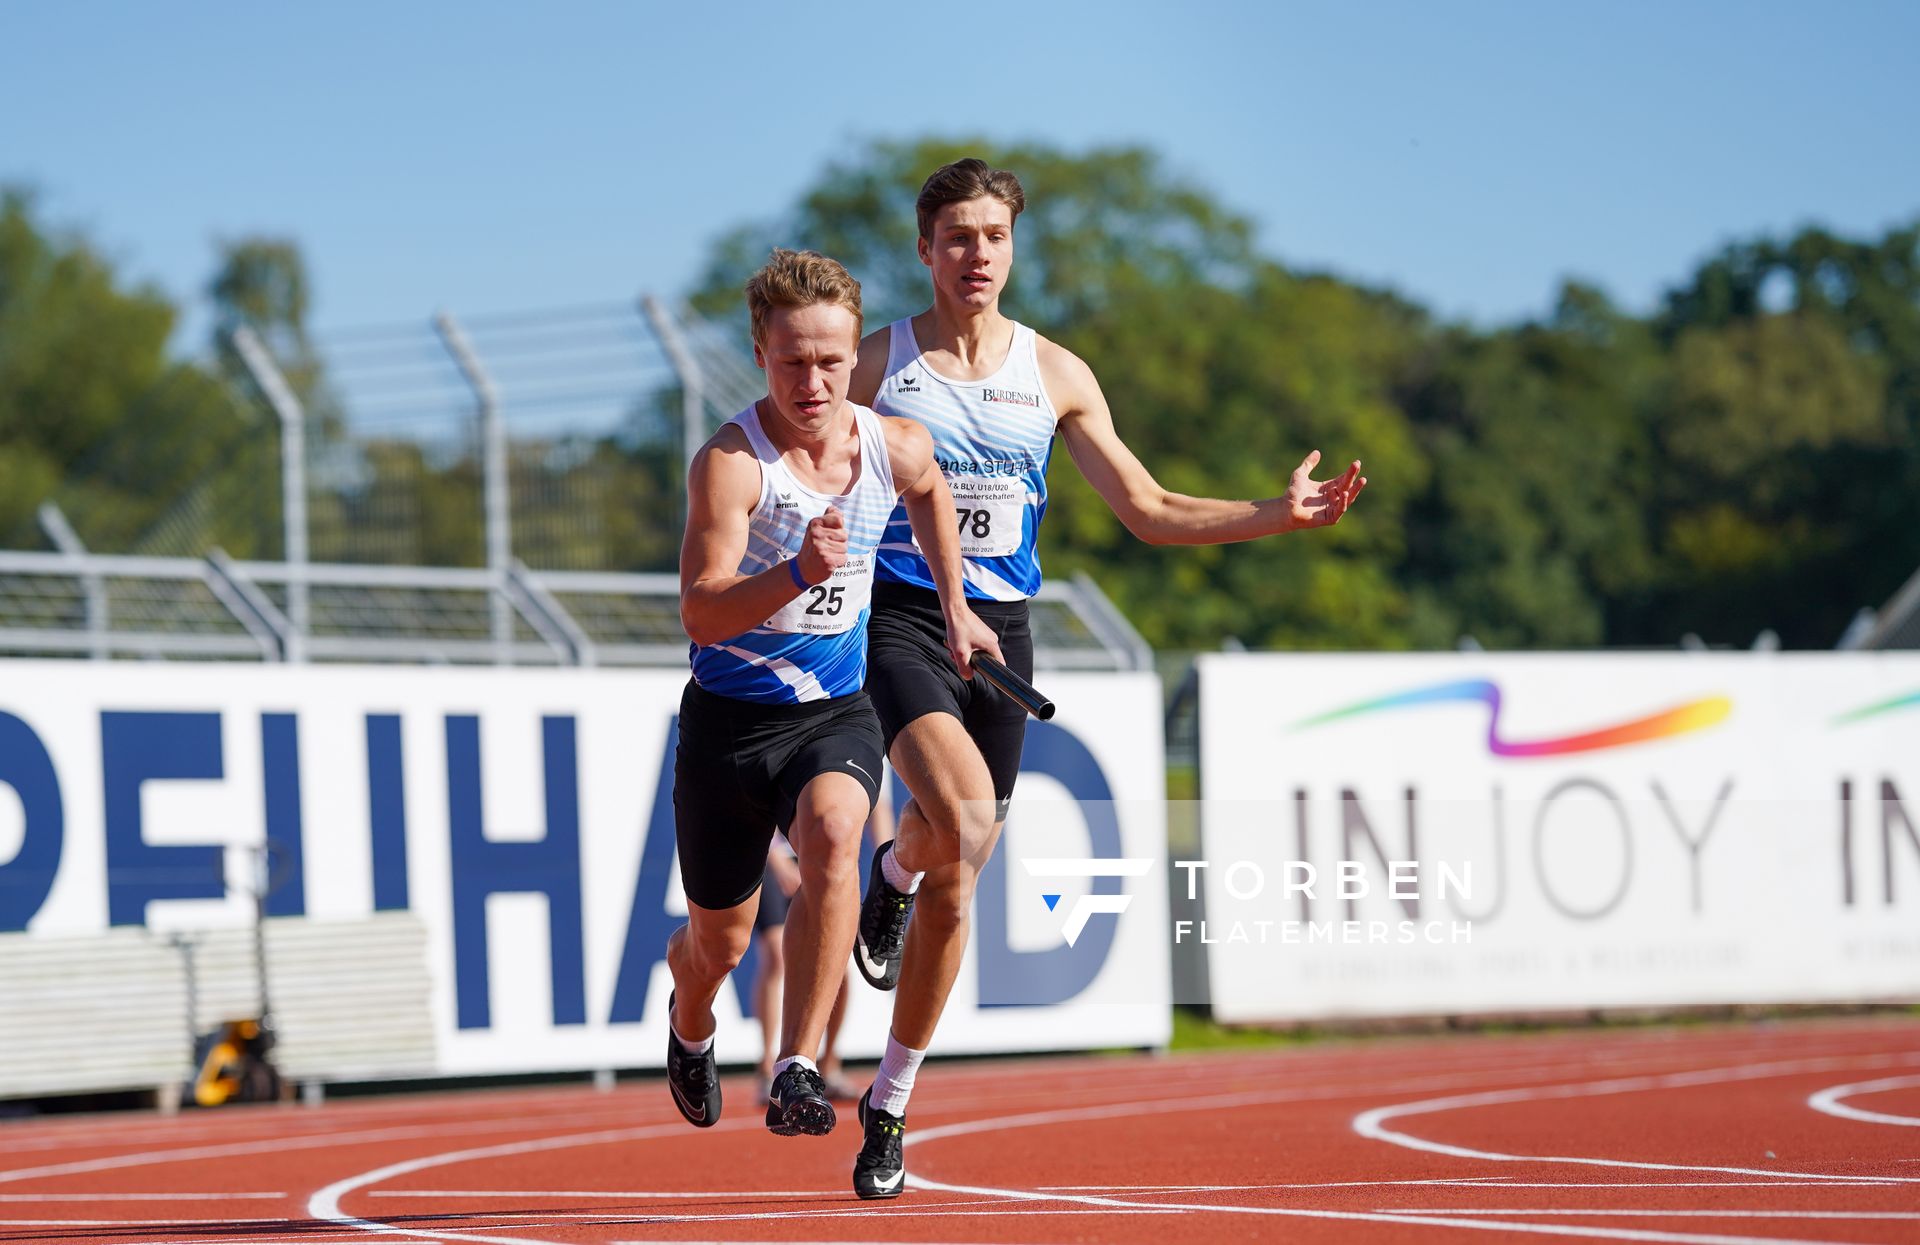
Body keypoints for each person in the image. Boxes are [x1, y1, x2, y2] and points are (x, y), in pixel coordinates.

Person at [844, 158, 1368, 1195]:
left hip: (1004, 630)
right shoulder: (877, 364)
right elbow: (800, 455)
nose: (977, 254)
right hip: (902, 618)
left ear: (1013, 246)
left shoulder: (1056, 373)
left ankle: (891, 1092)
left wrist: (1277, 514)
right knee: (967, 816)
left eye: (995, 236)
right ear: (925, 248)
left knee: (957, 867)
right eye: (958, 237)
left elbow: (1149, 507)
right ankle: (901, 875)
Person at [663, 248, 998, 1154]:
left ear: (856, 357)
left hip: (832, 711)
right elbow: (701, 610)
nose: (811, 383)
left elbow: (930, 491)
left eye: (830, 362)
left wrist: (956, 606)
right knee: (721, 947)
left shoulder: (894, 444)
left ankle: (797, 1063)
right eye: (791, 362)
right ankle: (690, 1019)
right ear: (760, 355)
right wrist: (795, 573)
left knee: (839, 834)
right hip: (729, 725)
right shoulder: (733, 463)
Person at [751, 789, 894, 1102]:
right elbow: (757, 794)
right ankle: (767, 1067)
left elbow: (879, 807)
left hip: (823, 857)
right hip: (773, 854)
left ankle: (828, 1065)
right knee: (775, 956)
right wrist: (778, 861)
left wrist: (889, 871)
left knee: (838, 965)